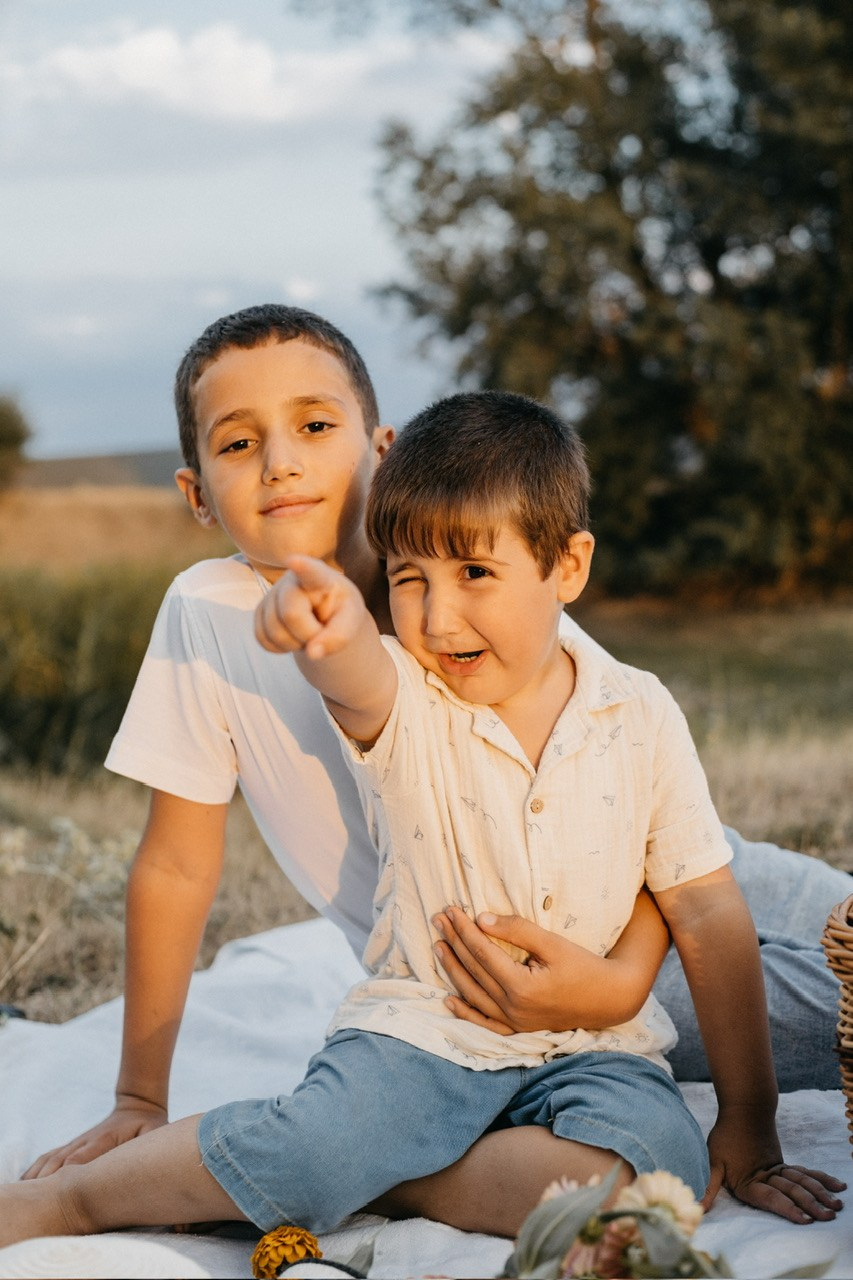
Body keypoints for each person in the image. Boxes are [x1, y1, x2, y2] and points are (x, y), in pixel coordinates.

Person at [12, 305, 845, 1232]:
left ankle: (385, 1165)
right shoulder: (235, 620)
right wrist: (137, 1096)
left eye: (315, 427)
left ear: (385, 448)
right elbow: (180, 857)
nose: (281, 462)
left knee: (835, 926)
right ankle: (347, 1160)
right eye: (240, 442)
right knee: (836, 1014)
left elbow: (655, 844)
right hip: (478, 981)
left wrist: (616, 983)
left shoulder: (479, 569)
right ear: (195, 489)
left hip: (636, 917)